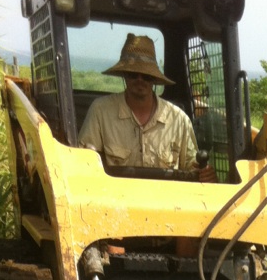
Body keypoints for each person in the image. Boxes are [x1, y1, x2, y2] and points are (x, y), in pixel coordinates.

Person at [79, 33, 215, 182]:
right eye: (133, 74)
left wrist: (203, 173)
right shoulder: (100, 112)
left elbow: (192, 167)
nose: (140, 80)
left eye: (146, 76)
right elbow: (85, 166)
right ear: (124, 75)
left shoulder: (179, 120)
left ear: (154, 79)